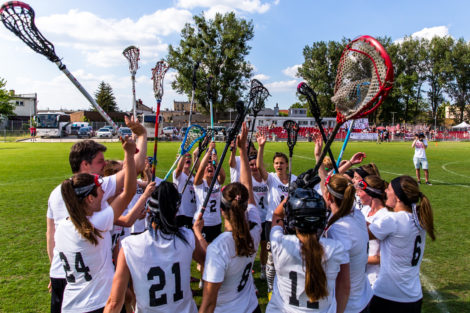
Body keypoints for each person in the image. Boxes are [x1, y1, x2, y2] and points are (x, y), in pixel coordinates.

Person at [46, 116, 147, 313]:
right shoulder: (97, 206)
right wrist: (141, 136)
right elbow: (134, 175)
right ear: (85, 165)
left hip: (64, 274)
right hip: (96, 292)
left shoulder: (61, 192)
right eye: (100, 162)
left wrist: (53, 267)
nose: (105, 166)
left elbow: (51, 235)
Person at [103, 181, 208, 313]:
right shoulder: (187, 237)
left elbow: (114, 304)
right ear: (176, 211)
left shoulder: (130, 246)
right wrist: (198, 232)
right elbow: (208, 262)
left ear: (148, 210)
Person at [199, 122, 262, 313]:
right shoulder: (255, 229)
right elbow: (248, 188)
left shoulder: (218, 248)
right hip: (251, 307)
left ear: (222, 210)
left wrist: (196, 233)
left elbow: (209, 304)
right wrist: (242, 150)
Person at [266, 182, 349, 313]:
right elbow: (344, 288)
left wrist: (293, 193)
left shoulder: (280, 243)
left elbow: (277, 215)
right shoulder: (336, 248)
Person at [368, 176, 435, 313]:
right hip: (414, 297)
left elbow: (362, 233)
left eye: (389, 189)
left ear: (398, 197)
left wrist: (347, 209)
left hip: (389, 296)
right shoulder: (419, 219)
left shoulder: (393, 220)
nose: (385, 191)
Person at [321, 173, 373, 313]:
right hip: (363, 295)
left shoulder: (338, 230)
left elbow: (343, 284)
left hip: (349, 306)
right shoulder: (357, 214)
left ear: (329, 196)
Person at [257, 139, 297, 294]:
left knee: (288, 253)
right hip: (272, 221)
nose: (279, 166)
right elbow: (260, 168)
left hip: (290, 221)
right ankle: (270, 286)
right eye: (276, 163)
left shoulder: (294, 179)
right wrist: (261, 147)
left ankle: (286, 281)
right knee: (271, 255)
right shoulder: (272, 178)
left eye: (281, 163)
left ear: (287, 164)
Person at [356, 175, 390, 287]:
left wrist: (355, 258)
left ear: (370, 194)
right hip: (362, 276)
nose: (358, 194)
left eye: (360, 191)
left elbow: (381, 258)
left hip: (375, 279)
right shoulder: (365, 210)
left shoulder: (385, 217)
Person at [193, 141, 226, 243]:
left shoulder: (217, 181)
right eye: (207, 164)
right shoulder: (199, 183)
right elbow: (200, 168)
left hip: (216, 222)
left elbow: (223, 176)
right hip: (203, 223)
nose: (209, 166)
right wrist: (209, 151)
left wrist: (217, 161)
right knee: (204, 252)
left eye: (212, 165)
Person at [173, 151, 199, 229]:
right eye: (185, 157)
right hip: (182, 213)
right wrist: (183, 154)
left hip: (193, 213)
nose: (187, 158)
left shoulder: (193, 176)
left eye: (189, 157)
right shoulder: (178, 175)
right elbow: (179, 169)